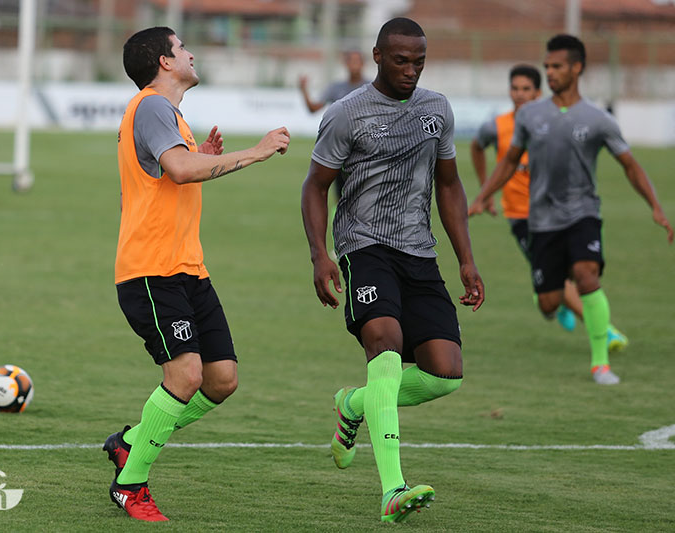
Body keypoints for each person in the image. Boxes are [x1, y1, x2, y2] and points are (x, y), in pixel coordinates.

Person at [301, 18, 484, 523]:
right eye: (401, 61)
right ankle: (391, 488)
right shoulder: (347, 113)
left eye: (419, 62)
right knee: (385, 345)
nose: (411, 71)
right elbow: (315, 186)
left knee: (446, 373)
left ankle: (354, 404)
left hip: (419, 253)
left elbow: (448, 184)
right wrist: (321, 254)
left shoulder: (436, 109)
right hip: (364, 246)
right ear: (378, 55)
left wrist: (466, 258)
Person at [103, 26, 290, 521]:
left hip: (187, 269)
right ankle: (131, 484)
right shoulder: (151, 106)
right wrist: (257, 150)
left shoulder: (168, 114)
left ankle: (131, 442)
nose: (191, 53)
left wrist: (200, 156)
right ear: (165, 62)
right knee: (185, 374)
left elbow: (173, 171)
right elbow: (179, 172)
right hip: (151, 270)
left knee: (221, 379)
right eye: (182, 48)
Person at [469, 34, 673, 385]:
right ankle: (551, 298)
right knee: (549, 303)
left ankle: (600, 364)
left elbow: (630, 165)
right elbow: (508, 162)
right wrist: (482, 196)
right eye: (547, 66)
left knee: (586, 275)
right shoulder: (531, 115)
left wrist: (655, 205)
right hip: (541, 220)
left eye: (557, 66)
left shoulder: (598, 118)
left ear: (577, 68)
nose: (550, 72)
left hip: (583, 214)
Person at [470, 64, 629, 347]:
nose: (520, 95)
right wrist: (486, 192)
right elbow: (476, 147)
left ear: (538, 92)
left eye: (526, 89)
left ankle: (558, 302)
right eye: (515, 89)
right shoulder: (497, 126)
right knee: (567, 277)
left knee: (572, 271)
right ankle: (606, 332)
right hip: (522, 215)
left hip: (559, 212)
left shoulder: (554, 122)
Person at [300, 50, 367, 201]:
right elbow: (313, 109)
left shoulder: (372, 87)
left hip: (365, 148)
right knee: (341, 195)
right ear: (346, 64)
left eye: (357, 61)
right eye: (351, 61)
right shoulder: (335, 88)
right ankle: (340, 222)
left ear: (363, 64)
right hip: (341, 150)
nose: (354, 65)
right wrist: (303, 89)